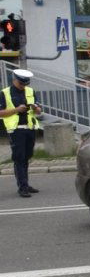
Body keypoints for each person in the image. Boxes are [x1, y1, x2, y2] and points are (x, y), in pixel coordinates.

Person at [1, 70, 43, 198]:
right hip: (16, 129)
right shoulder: (5, 92)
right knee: (19, 158)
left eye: (25, 84)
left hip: (30, 128)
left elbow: (39, 111)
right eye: (20, 83)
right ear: (14, 80)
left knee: (27, 157)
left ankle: (25, 183)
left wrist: (36, 108)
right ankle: (23, 187)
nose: (23, 86)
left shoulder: (30, 91)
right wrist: (16, 110)